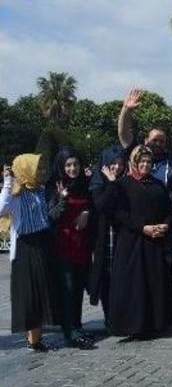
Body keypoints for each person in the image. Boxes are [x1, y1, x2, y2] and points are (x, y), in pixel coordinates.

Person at [109, 146, 172, 340]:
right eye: (142, 162)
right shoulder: (124, 185)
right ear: (135, 163)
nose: (145, 165)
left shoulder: (157, 185)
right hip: (132, 243)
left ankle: (156, 323)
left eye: (148, 162)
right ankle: (135, 325)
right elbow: (119, 214)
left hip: (155, 242)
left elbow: (168, 211)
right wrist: (142, 227)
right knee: (135, 285)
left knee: (154, 283)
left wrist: (165, 225)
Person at [1, 154, 59, 351]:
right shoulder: (15, 194)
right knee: (29, 296)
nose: (42, 172)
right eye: (37, 168)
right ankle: (33, 340)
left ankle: (36, 339)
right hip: (26, 247)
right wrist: (8, 182)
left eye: (43, 168)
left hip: (43, 243)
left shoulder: (41, 190)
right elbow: (0, 208)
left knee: (41, 293)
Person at [47, 148, 94, 349]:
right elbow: (52, 215)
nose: (72, 168)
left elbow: (93, 206)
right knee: (67, 289)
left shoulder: (85, 184)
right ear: (61, 167)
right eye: (68, 165)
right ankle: (70, 332)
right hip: (63, 247)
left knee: (78, 289)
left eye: (75, 164)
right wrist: (63, 198)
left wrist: (87, 213)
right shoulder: (54, 187)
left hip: (82, 246)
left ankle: (77, 325)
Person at [88, 145, 127, 329]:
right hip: (103, 237)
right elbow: (101, 205)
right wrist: (111, 184)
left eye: (120, 164)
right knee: (106, 278)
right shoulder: (98, 181)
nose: (117, 168)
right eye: (113, 164)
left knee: (121, 277)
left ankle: (119, 317)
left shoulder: (124, 181)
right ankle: (109, 316)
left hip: (120, 235)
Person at [117, 88, 172, 186]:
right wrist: (126, 110)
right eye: (155, 140)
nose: (158, 144)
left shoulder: (171, 159)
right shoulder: (136, 151)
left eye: (162, 141)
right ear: (146, 140)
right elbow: (123, 133)